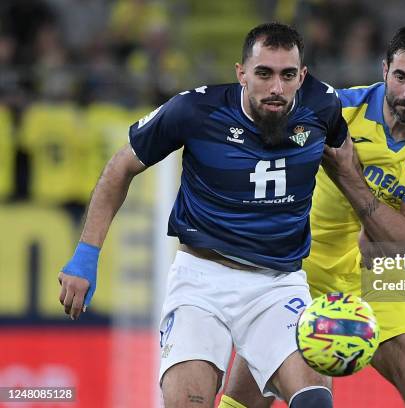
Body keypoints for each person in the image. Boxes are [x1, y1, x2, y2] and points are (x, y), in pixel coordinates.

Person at [58, 23, 348, 408]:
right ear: (241, 73)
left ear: (302, 76)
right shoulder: (196, 109)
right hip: (202, 283)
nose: (276, 87)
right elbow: (120, 167)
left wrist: (374, 222)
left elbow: (346, 166)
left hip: (279, 284)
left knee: (315, 400)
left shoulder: (323, 107)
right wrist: (86, 255)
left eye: (287, 75)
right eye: (264, 73)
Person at [220, 24, 405, 408]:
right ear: (384, 69)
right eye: (400, 77)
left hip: (377, 278)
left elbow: (397, 241)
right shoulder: (333, 109)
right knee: (248, 403)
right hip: (298, 270)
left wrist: (349, 174)